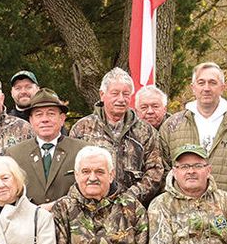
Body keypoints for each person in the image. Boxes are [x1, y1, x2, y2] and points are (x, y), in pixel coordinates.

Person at [159, 62, 227, 199]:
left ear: (223, 87)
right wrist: (176, 200)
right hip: (180, 213)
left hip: (226, 214)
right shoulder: (172, 125)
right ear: (193, 87)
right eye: (201, 82)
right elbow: (162, 168)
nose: (206, 88)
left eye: (212, 82)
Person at [69, 68, 165, 206]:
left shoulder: (145, 130)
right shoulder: (82, 128)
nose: (121, 99)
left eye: (126, 94)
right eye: (115, 93)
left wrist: (130, 197)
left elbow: (155, 170)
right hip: (90, 208)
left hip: (134, 209)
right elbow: (73, 171)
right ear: (102, 94)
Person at [5, 89, 91, 208]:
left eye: (51, 113)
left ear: (62, 119)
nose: (44, 119)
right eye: (38, 114)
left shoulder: (83, 151)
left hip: (72, 222)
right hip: (30, 223)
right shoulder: (14, 154)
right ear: (31, 120)